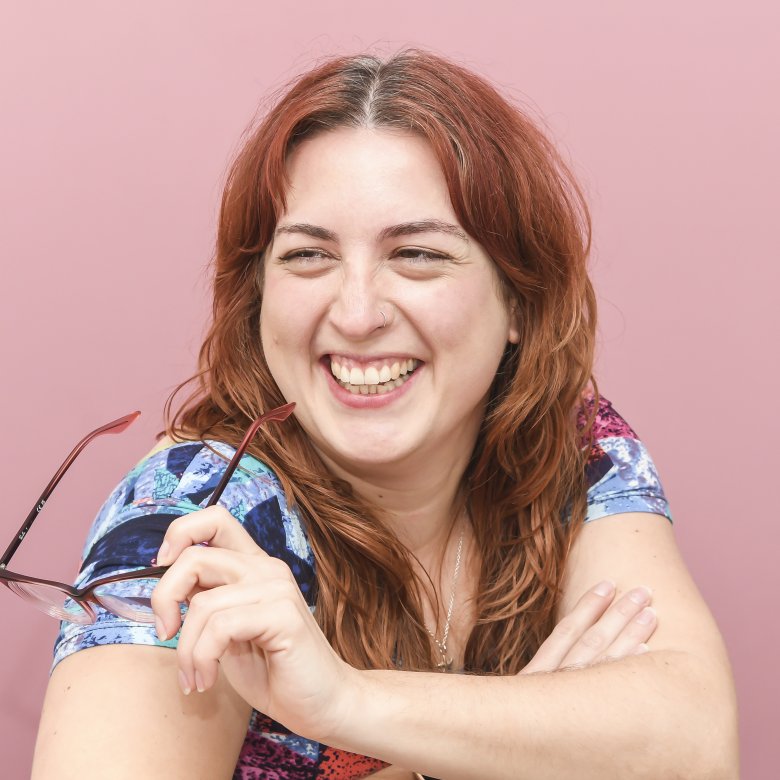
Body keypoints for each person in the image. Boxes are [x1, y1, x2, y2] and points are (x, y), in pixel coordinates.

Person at [31, 50, 738, 779]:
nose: (359, 313)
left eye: (418, 254)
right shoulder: (190, 513)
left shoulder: (573, 446)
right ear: (258, 296)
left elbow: (695, 745)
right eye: (309, 256)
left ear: (519, 299)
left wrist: (346, 703)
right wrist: (508, 749)